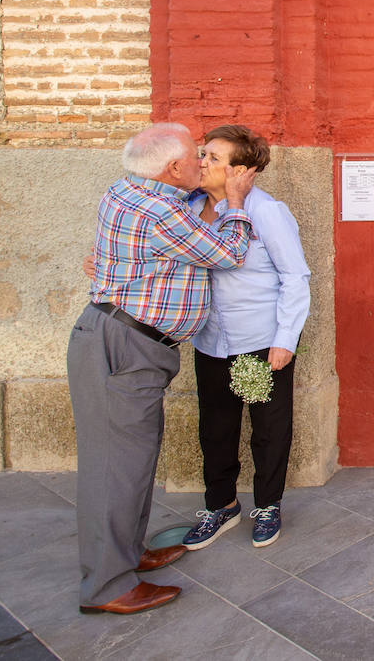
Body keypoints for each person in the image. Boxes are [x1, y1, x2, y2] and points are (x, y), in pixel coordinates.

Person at [68, 123, 255, 614]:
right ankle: (107, 587)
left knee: (130, 463)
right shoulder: (161, 211)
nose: (202, 164)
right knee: (116, 469)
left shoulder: (125, 189)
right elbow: (230, 254)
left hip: (121, 338)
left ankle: (126, 555)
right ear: (173, 169)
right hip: (127, 345)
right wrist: (236, 201)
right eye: (198, 157)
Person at [179, 125, 311, 550]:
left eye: (213, 158)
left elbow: (295, 276)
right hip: (210, 339)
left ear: (242, 170)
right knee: (215, 428)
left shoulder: (266, 211)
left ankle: (268, 504)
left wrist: (285, 339)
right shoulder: (189, 207)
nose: (202, 163)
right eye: (203, 154)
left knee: (267, 429)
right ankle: (221, 505)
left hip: (258, 342)